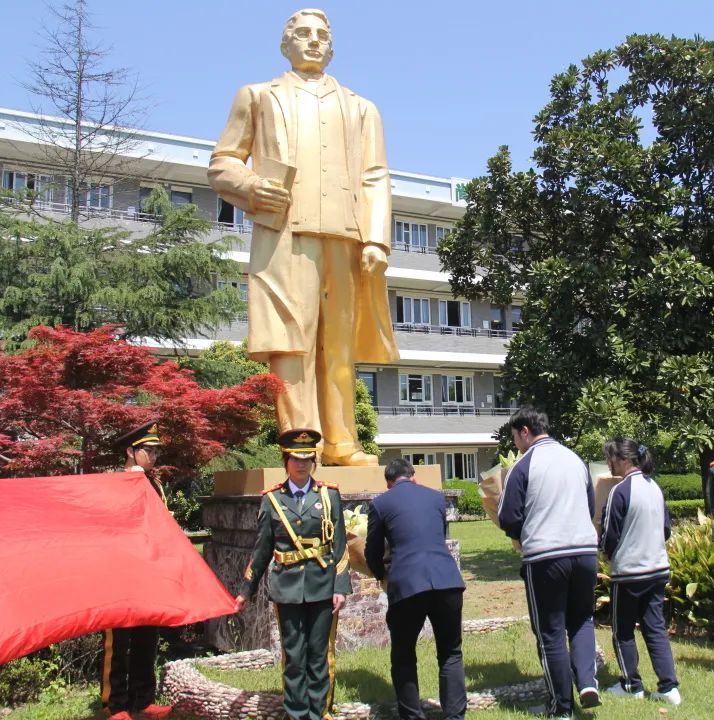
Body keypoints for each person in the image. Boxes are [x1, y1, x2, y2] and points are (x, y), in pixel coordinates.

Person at [208, 8, 399, 464]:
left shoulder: (361, 108)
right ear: (285, 44)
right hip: (286, 237)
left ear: (331, 46)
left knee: (340, 347)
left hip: (346, 239)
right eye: (303, 33)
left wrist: (375, 239)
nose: (313, 41)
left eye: (322, 35)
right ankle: (301, 446)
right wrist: (252, 186)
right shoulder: (257, 96)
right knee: (292, 344)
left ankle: (342, 443)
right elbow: (222, 163)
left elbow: (375, 176)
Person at [235, 428, 351, 719]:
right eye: (296, 459)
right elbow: (261, 550)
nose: (302, 464)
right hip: (287, 587)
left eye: (307, 459)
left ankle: (319, 711)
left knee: (318, 654)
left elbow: (340, 547)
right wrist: (246, 590)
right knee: (294, 654)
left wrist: (340, 586)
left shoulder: (329, 496)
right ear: (285, 460)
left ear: (313, 461)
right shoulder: (272, 500)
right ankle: (296, 712)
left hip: (322, 585)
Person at [498, 407, 600, 718]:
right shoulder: (576, 460)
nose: (515, 443)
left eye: (515, 437)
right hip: (584, 551)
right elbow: (591, 505)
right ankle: (586, 681)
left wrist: (520, 535)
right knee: (582, 619)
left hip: (545, 555)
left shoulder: (524, 464)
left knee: (551, 631)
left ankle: (562, 707)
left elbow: (507, 516)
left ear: (525, 431)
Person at [365, 458, 467, 720]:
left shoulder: (380, 503)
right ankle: (455, 715)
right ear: (414, 476)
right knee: (451, 652)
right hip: (447, 581)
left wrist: (381, 574)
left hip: (408, 584)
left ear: (388, 483)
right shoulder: (436, 498)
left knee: (403, 654)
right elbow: (438, 536)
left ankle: (412, 715)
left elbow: (372, 551)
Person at [599, 437, 681, 705]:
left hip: (629, 572)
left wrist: (605, 553)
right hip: (657, 568)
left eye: (610, 458)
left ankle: (631, 684)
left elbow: (609, 534)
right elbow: (666, 529)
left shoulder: (620, 491)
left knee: (622, 631)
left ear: (623, 460)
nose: (608, 464)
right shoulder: (654, 487)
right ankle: (669, 687)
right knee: (655, 628)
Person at [101, 420, 172, 720]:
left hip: (150, 572)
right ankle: (116, 704)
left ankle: (143, 699)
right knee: (118, 643)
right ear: (131, 451)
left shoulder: (155, 484)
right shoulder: (114, 483)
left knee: (147, 638)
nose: (154, 456)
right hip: (122, 574)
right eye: (148, 451)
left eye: (156, 451)